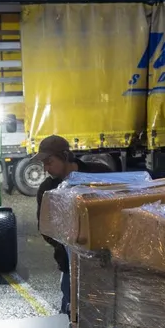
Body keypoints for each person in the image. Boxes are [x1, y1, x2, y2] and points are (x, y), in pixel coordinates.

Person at [33, 135, 111, 316]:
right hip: (70, 266)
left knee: (105, 315)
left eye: (49, 162)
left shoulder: (98, 174)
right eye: (43, 164)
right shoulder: (47, 190)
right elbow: (45, 229)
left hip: (106, 263)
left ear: (66, 156)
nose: (46, 169)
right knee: (71, 315)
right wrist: (73, 247)